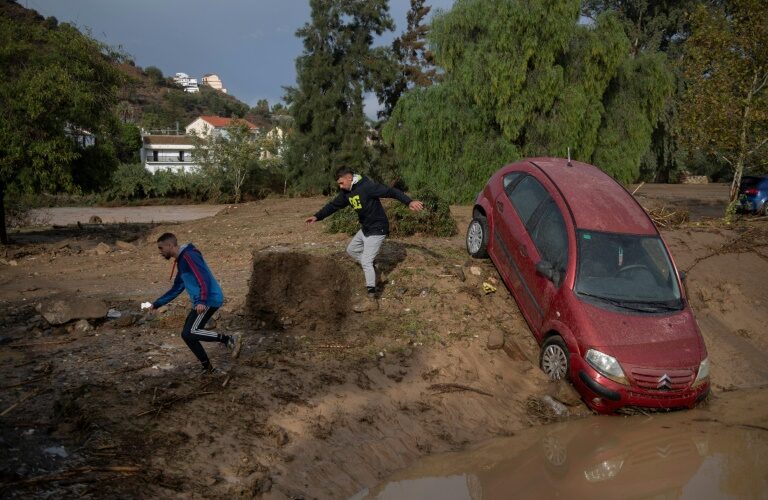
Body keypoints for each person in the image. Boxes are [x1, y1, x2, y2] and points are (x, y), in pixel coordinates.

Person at [305, 167, 424, 312]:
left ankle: (371, 300)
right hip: (366, 228)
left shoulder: (368, 187)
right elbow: (333, 205)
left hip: (378, 228)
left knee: (366, 261)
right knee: (351, 250)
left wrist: (409, 202)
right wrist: (317, 216)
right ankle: (375, 274)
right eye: (339, 184)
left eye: (342, 183)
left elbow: (391, 191)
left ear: (349, 178)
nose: (340, 186)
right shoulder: (346, 192)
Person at [149, 233, 242, 374]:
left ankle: (229, 339)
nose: (160, 251)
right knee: (187, 335)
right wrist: (157, 304)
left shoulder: (189, 256)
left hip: (209, 299)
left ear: (170, 245)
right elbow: (177, 288)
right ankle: (208, 368)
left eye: (161, 248)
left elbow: (203, 278)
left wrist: (202, 300)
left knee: (191, 331)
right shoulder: (181, 261)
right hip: (201, 301)